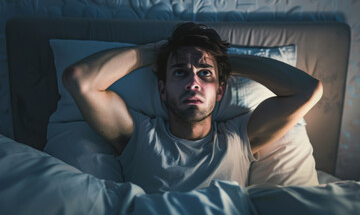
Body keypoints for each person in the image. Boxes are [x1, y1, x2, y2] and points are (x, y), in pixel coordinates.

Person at [62, 22, 323, 193]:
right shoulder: (139, 135)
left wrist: (222, 61)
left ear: (221, 91)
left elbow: (308, 91)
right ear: (162, 90)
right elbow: (79, 80)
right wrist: (153, 53)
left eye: (205, 74)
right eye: (180, 72)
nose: (193, 83)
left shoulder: (238, 137)